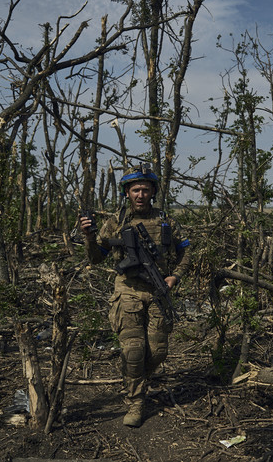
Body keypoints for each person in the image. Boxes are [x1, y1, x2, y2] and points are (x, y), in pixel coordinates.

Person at [79, 163, 191, 427]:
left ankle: (134, 378)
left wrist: (175, 276)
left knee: (159, 351)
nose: (140, 194)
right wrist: (89, 237)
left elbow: (186, 251)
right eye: (135, 190)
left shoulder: (167, 222)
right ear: (127, 193)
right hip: (127, 292)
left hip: (158, 291)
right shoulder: (115, 223)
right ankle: (136, 402)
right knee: (133, 351)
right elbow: (96, 258)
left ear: (153, 191)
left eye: (145, 189)